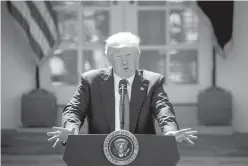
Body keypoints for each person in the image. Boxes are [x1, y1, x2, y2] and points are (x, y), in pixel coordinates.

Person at [47, 32, 197, 148]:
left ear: (137, 55)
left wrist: (169, 130)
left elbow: (163, 109)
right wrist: (71, 129)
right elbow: (74, 109)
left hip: (142, 151)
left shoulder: (153, 81)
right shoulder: (91, 80)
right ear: (109, 59)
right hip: (100, 150)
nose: (125, 61)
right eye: (119, 56)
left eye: (129, 55)